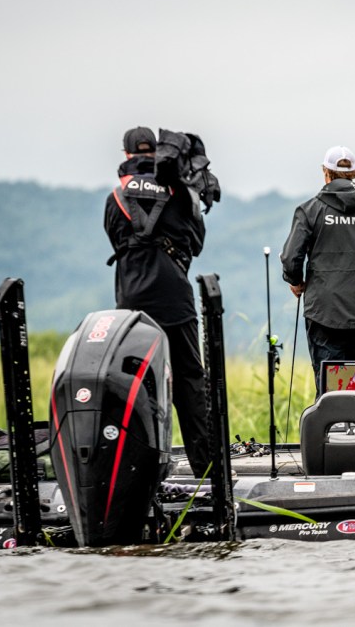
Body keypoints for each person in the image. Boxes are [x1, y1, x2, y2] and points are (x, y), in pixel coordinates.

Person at [104, 126, 210, 477]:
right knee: (190, 383)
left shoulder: (115, 198)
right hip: (175, 301)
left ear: (126, 154)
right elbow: (196, 244)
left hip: (132, 306)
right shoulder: (180, 191)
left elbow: (116, 241)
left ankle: (139, 469)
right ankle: (207, 469)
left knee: (134, 387)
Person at [281, 145, 355, 395]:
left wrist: (295, 281)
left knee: (331, 390)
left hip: (324, 315)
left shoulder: (310, 210)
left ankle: (332, 420)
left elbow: (291, 258)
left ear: (326, 173)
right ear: (354, 174)